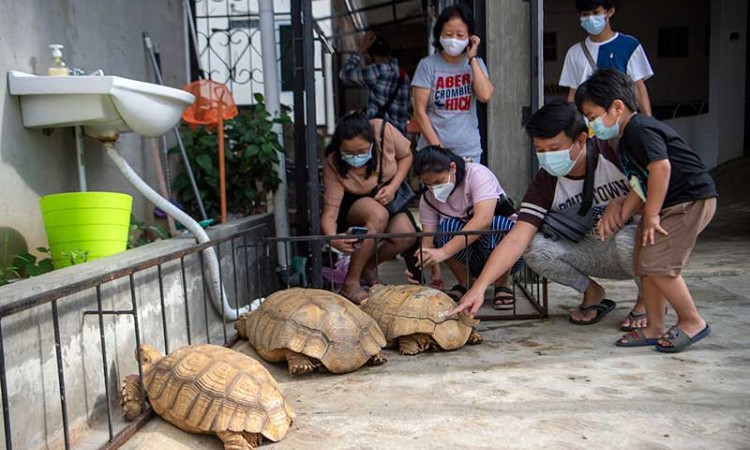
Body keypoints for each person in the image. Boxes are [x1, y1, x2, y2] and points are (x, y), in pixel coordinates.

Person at [450, 100, 647, 327]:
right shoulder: (545, 180)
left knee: (627, 239)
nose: (547, 157)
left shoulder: (614, 153)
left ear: (581, 140)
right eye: (540, 150)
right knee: (533, 247)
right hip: (591, 250)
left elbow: (661, 195)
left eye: (554, 149)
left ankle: (647, 299)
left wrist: (621, 204)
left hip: (638, 250)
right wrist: (480, 287)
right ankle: (592, 292)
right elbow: (517, 239)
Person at [576, 68, 718, 352]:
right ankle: (654, 326)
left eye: (593, 117)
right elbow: (641, 184)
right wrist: (622, 211)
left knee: (660, 266)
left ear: (617, 106)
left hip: (688, 201)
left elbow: (660, 168)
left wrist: (651, 214)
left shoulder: (640, 129)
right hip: (670, 204)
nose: (592, 126)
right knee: (646, 264)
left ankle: (692, 321)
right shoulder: (627, 137)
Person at [321, 112, 417, 304]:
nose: (356, 157)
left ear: (373, 143)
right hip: (354, 203)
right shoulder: (333, 162)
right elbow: (329, 213)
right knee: (377, 214)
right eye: (349, 153)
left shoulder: (384, 131)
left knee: (406, 234)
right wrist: (333, 239)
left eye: (362, 151)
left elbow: (406, 156)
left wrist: (393, 186)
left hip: (387, 194)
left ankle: (367, 268)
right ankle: (350, 283)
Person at [411, 146, 519, 309]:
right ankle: (465, 283)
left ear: (453, 168)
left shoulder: (476, 174)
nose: (434, 188)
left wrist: (444, 251)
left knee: (499, 225)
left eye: (439, 182)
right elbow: (429, 240)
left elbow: (483, 220)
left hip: (507, 251)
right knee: (446, 228)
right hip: (468, 254)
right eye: (428, 184)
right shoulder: (428, 199)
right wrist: (423, 265)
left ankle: (502, 283)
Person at [411, 4, 494, 163]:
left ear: (470, 36)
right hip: (433, 153)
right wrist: (438, 149)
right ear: (439, 34)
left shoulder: (475, 64)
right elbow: (419, 111)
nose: (453, 40)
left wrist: (472, 58)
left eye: (460, 35)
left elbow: (485, 95)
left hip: (468, 152)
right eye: (448, 34)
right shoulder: (427, 65)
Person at [559, 0, 654, 116]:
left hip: (622, 123)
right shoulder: (574, 52)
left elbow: (638, 88)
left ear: (610, 11)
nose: (590, 18)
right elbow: (573, 94)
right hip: (589, 124)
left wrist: (649, 123)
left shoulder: (630, 46)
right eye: (585, 14)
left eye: (596, 12)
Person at [339, 32, 410, 134]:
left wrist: (360, 50)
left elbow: (344, 74)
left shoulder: (375, 71)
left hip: (381, 137)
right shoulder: (404, 75)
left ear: (371, 55)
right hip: (400, 137)